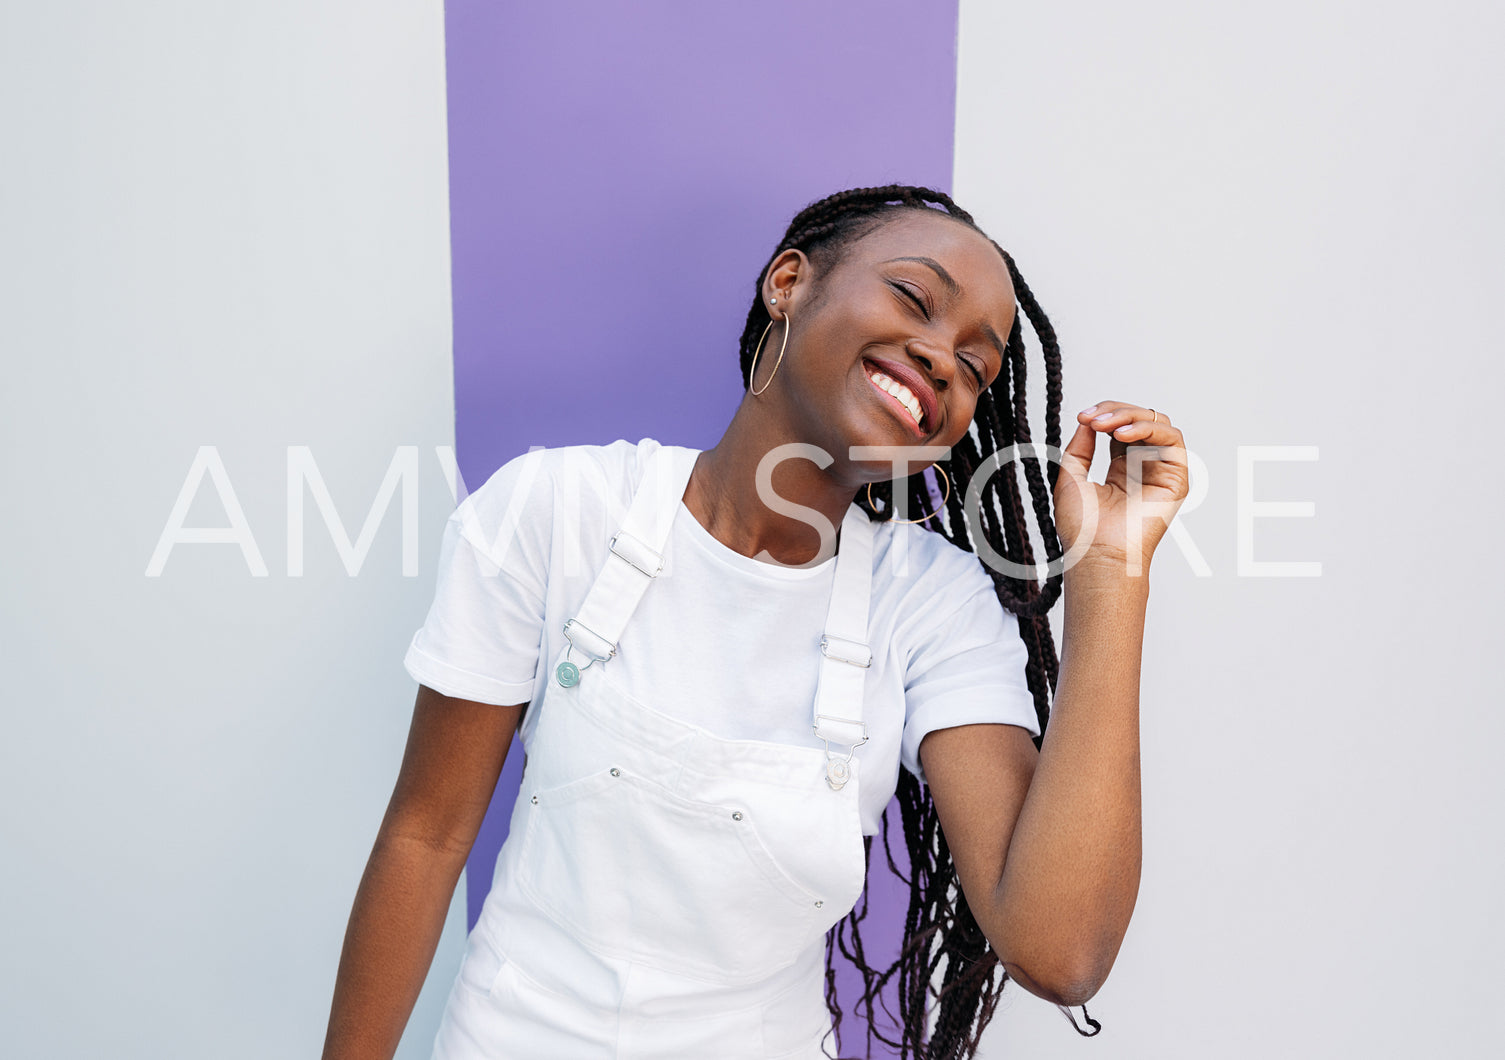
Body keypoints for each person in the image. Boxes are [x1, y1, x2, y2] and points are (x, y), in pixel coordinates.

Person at [321, 185, 1190, 1060]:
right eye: (914, 299)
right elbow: (425, 837)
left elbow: (1059, 951)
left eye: (975, 367)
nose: (939, 359)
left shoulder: (932, 606)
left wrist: (1111, 573)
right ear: (788, 283)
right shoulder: (554, 513)